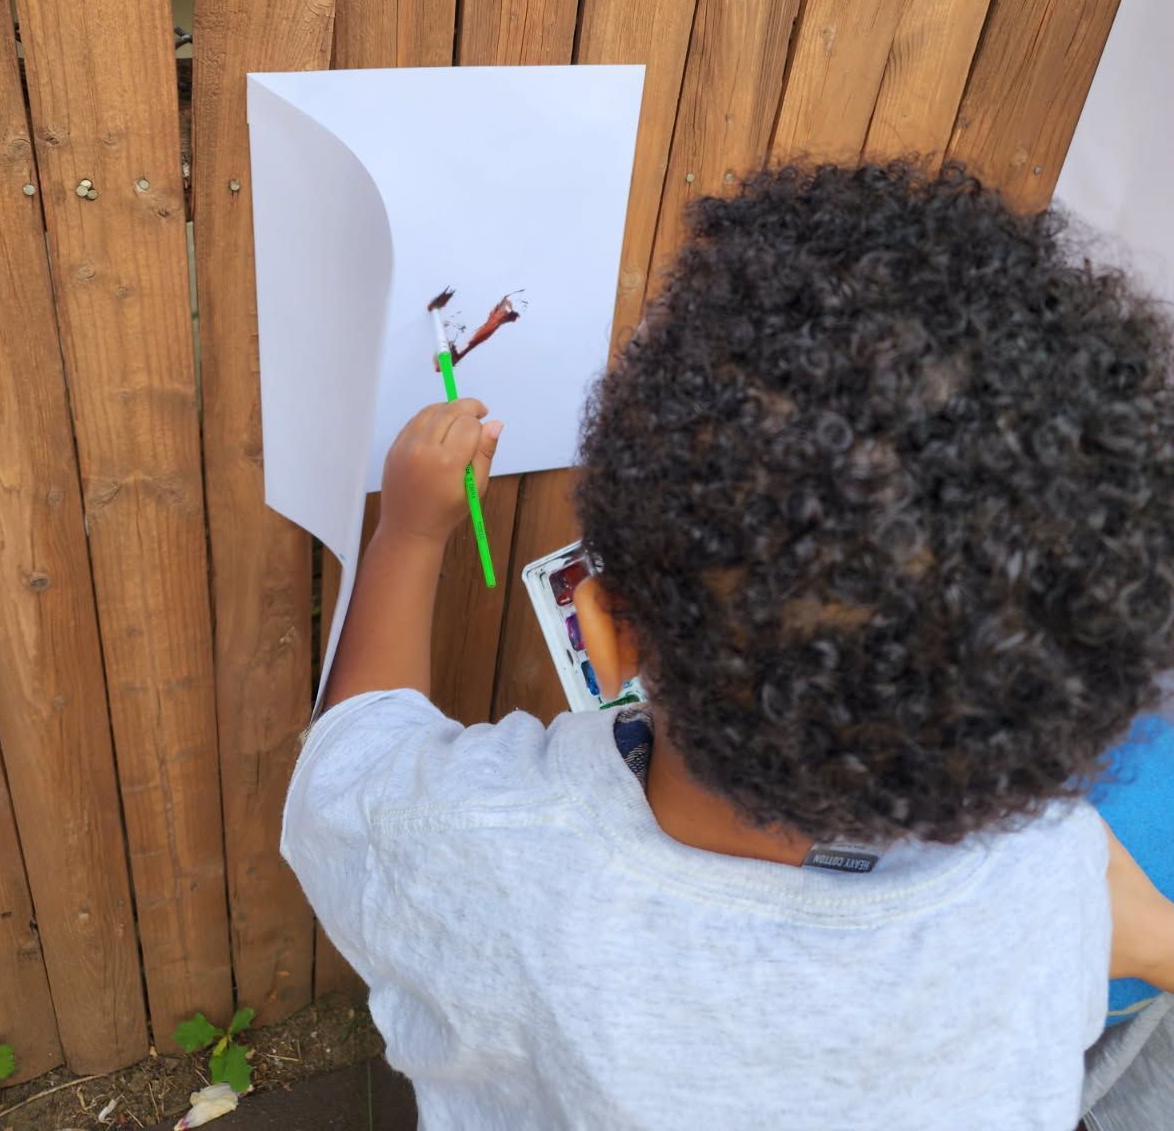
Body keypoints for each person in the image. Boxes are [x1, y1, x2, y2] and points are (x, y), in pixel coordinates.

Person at [282, 163, 1174, 1129]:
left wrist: (408, 535)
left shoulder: (481, 851)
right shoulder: (1048, 872)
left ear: (606, 636)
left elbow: (349, 762)